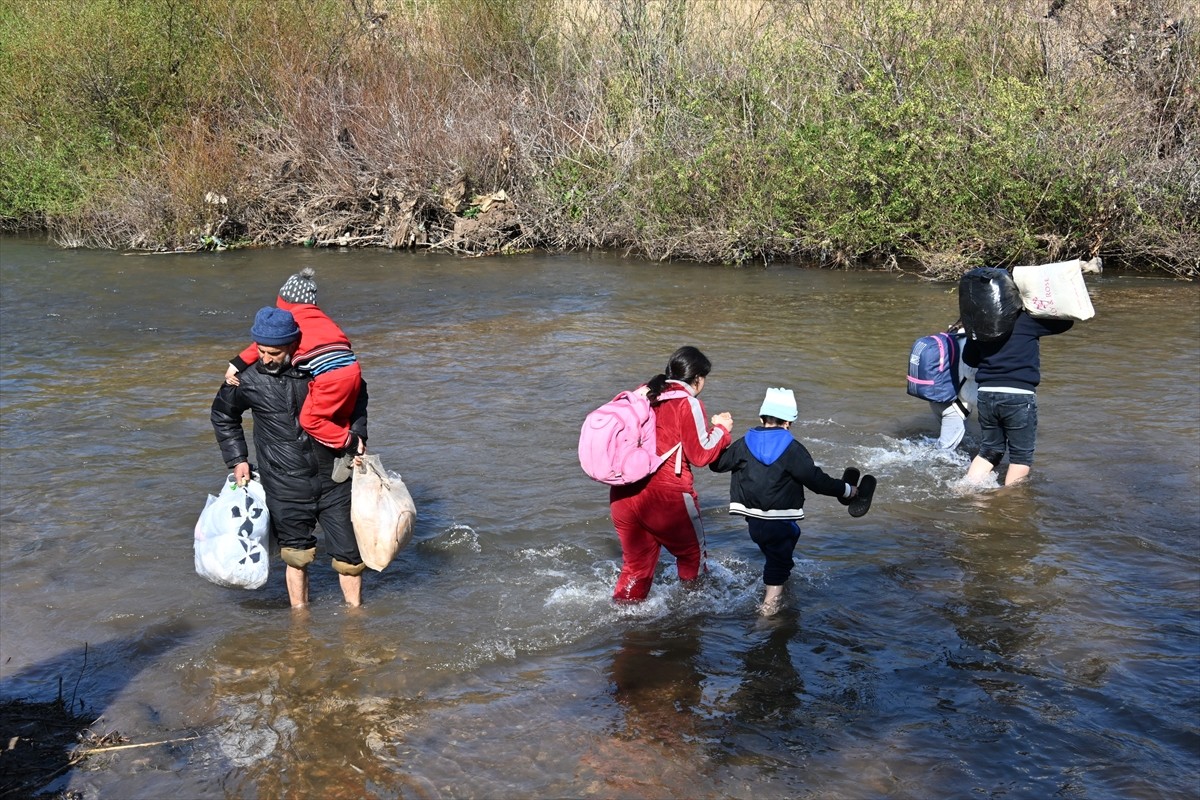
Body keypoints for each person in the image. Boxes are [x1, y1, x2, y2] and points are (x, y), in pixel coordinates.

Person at [212, 307, 369, 608]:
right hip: (283, 482)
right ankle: (300, 620)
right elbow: (223, 414)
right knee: (296, 555)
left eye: (273, 352)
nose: (265, 359)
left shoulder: (323, 366)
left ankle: (355, 618)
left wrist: (358, 438)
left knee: (350, 558)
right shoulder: (248, 379)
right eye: (260, 351)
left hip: (335, 477)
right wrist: (237, 458)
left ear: (292, 345)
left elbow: (358, 396)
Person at [709, 387, 859, 616]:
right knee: (778, 568)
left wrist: (718, 432)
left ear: (761, 417)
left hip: (753, 521)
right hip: (781, 521)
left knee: (776, 558)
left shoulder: (744, 443)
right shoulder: (792, 449)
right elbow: (817, 482)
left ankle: (779, 588)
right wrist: (847, 490)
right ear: (789, 422)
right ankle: (766, 617)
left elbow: (716, 464)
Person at [609, 346, 733, 604]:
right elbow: (701, 454)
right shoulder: (689, 403)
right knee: (692, 559)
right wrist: (722, 429)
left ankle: (623, 626)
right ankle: (691, 622)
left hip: (623, 494)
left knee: (635, 568)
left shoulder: (644, 394)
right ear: (697, 379)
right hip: (667, 498)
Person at [224, 268, 364, 477]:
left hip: (329, 379)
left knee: (311, 421)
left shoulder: (293, 325)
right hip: (353, 371)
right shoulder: (326, 321)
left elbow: (262, 346)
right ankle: (347, 449)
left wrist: (235, 365)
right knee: (336, 415)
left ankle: (350, 443)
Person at [963, 310, 1073, 485]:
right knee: (1020, 458)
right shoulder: (1028, 320)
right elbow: (1066, 322)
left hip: (986, 393)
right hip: (1018, 395)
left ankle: (964, 492)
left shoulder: (981, 320)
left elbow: (969, 359)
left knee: (989, 451)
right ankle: (1010, 506)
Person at [929, 321, 977, 451]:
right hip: (956, 406)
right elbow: (970, 372)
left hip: (937, 397)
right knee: (943, 454)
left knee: (949, 446)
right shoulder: (971, 340)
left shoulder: (950, 334)